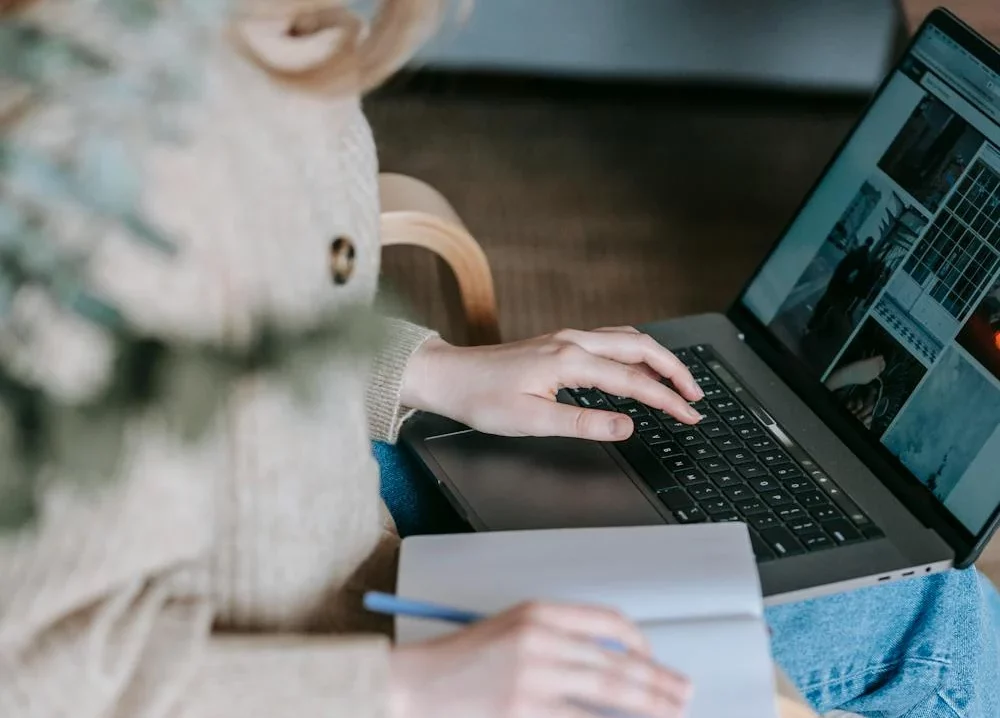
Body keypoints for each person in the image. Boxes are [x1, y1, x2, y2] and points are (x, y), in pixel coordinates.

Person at [1, 3, 998, 718]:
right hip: (312, 655)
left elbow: (229, 333)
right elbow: (30, 674)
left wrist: (429, 374)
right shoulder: (100, 179)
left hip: (336, 529)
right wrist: (419, 686)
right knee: (939, 623)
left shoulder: (269, 41)